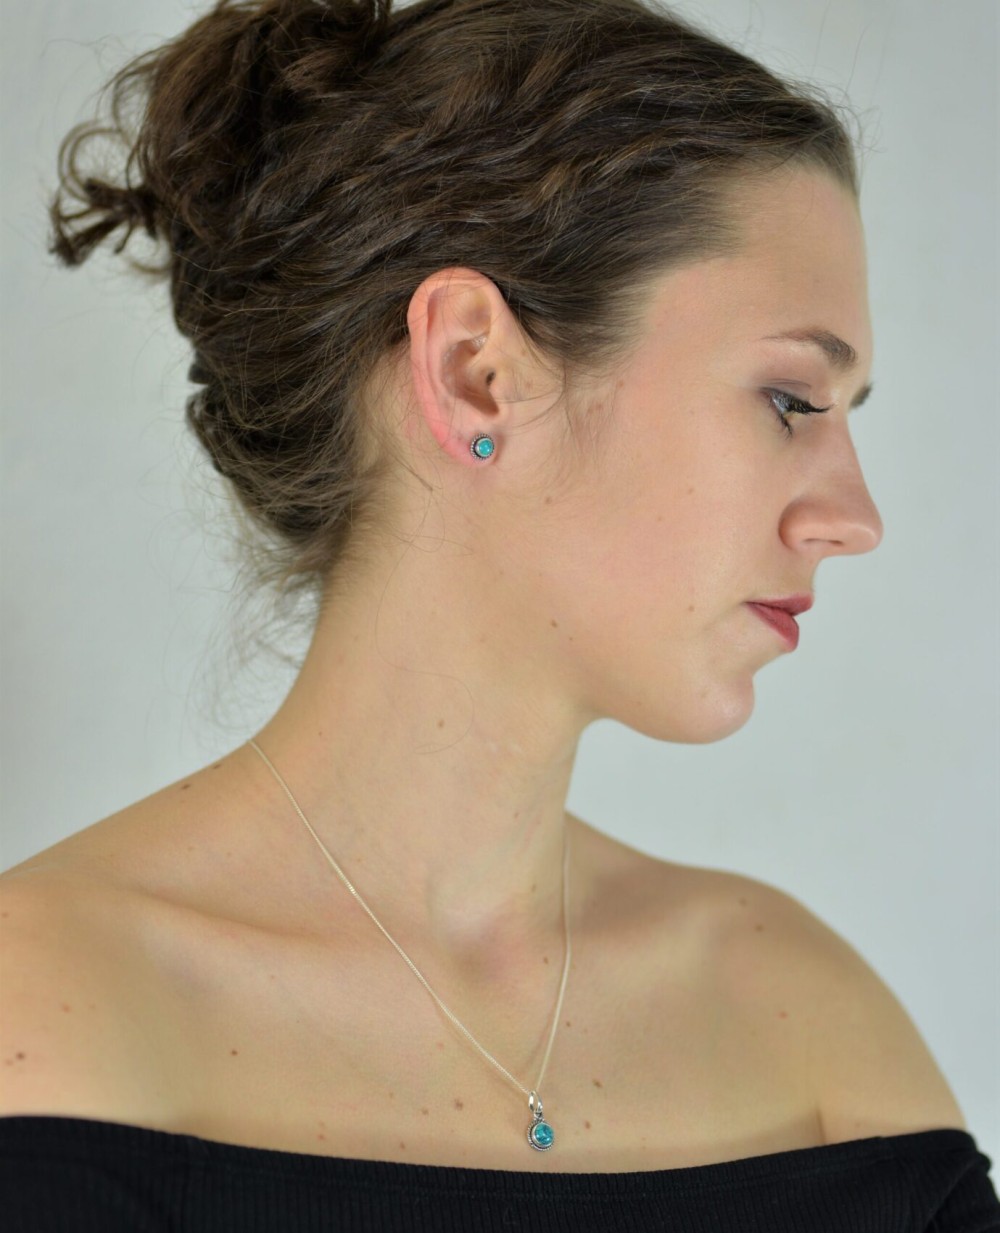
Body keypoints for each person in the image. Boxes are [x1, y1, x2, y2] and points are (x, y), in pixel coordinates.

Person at [1, 0, 997, 1227]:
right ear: (475, 371)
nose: (854, 517)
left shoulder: (812, 1029)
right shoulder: (48, 1020)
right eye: (791, 401)